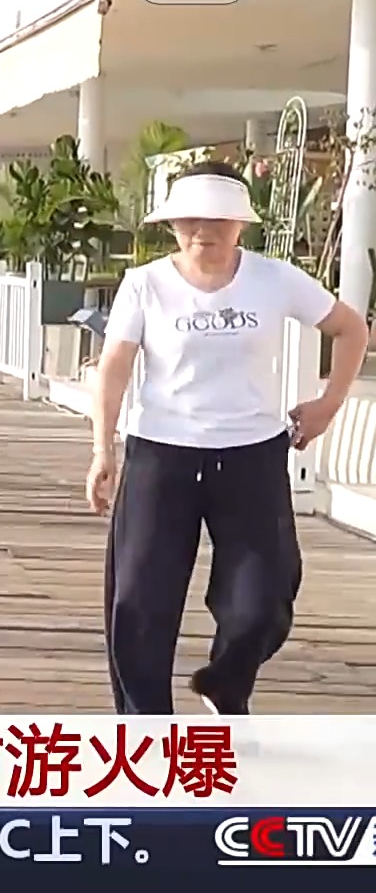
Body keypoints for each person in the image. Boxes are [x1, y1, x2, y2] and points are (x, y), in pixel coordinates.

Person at [88, 164, 369, 715]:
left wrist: (328, 404)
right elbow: (114, 367)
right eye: (189, 220)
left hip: (251, 456)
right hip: (161, 455)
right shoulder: (145, 284)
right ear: (171, 225)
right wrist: (103, 448)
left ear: (241, 223)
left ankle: (226, 682)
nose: (203, 231)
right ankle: (146, 728)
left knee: (265, 596)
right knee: (139, 601)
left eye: (218, 219)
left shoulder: (275, 279)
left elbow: (351, 328)